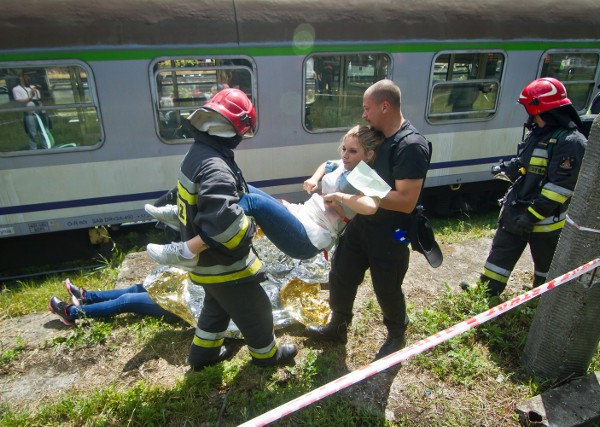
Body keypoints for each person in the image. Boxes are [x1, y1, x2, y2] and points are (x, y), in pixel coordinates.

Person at [164, 88, 296, 370]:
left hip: (207, 265)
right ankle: (267, 357)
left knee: (216, 308)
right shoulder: (216, 168)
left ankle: (203, 354)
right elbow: (225, 227)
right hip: (226, 265)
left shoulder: (198, 154)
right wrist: (251, 225)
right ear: (238, 128)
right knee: (256, 309)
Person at [306, 79, 432, 360]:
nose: (363, 114)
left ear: (385, 106)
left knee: (386, 287)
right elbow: (345, 161)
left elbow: (406, 200)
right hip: (362, 223)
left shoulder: (411, 146)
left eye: (367, 108)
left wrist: (358, 197)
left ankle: (397, 333)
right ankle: (338, 326)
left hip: (391, 231)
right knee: (341, 273)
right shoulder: (376, 136)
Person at [145, 124, 386, 267]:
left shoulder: (367, 175)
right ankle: (184, 212)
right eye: (344, 148)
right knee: (243, 188)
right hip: (300, 214)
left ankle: (186, 251)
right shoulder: (343, 164)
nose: (345, 155)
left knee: (252, 202)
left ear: (368, 155)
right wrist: (314, 179)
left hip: (311, 237)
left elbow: (370, 206)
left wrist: (340, 198)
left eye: (353, 151)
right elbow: (326, 164)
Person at [461, 77, 587, 297]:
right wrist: (510, 167)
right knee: (500, 253)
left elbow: (561, 188)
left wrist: (531, 216)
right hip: (517, 209)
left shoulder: (571, 143)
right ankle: (486, 292)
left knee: (545, 263)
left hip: (545, 220)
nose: (529, 116)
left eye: (530, 110)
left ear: (541, 109)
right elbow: (527, 163)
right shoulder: (539, 133)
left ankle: (542, 296)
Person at [48, 278, 180, 326]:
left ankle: (70, 313)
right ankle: (86, 297)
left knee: (127, 300)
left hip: (183, 306)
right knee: (138, 288)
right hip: (187, 290)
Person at [12, 71, 51, 150]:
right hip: (29, 114)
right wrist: (31, 95)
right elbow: (21, 101)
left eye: (29, 76)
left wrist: (40, 90)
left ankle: (47, 148)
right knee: (32, 133)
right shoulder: (16, 89)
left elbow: (40, 99)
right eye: (26, 76)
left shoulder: (33, 87)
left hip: (40, 112)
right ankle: (34, 150)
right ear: (21, 77)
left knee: (44, 131)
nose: (28, 78)